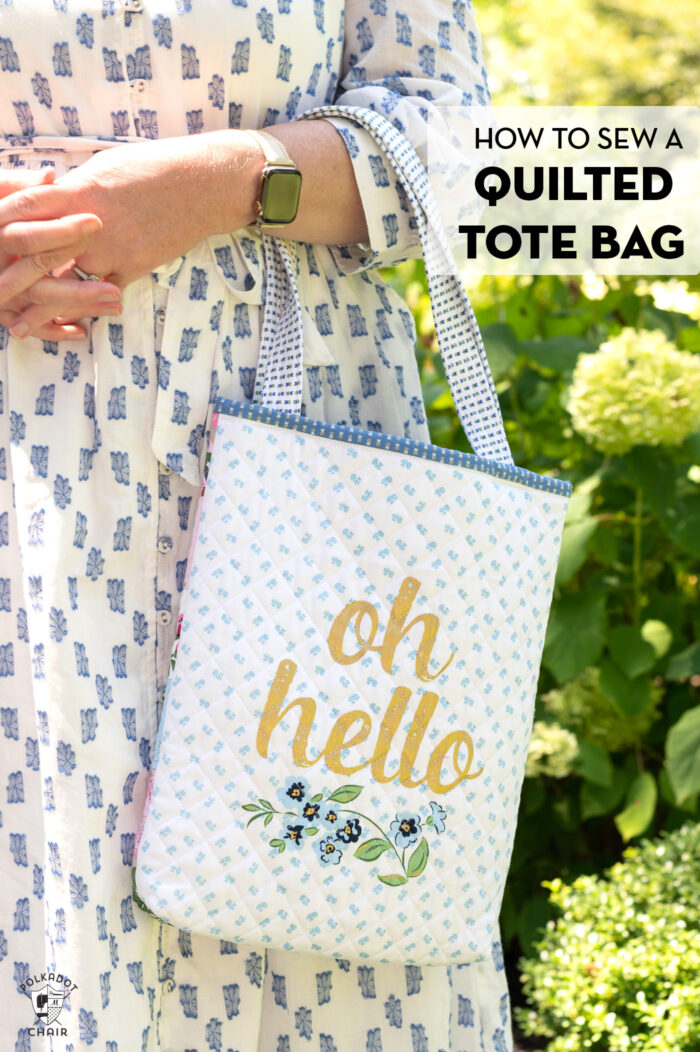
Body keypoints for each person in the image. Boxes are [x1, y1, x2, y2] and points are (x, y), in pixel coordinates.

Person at [0, 3, 514, 1049]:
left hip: (302, 488)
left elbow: (456, 150)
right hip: (29, 514)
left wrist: (230, 180)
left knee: (303, 886)